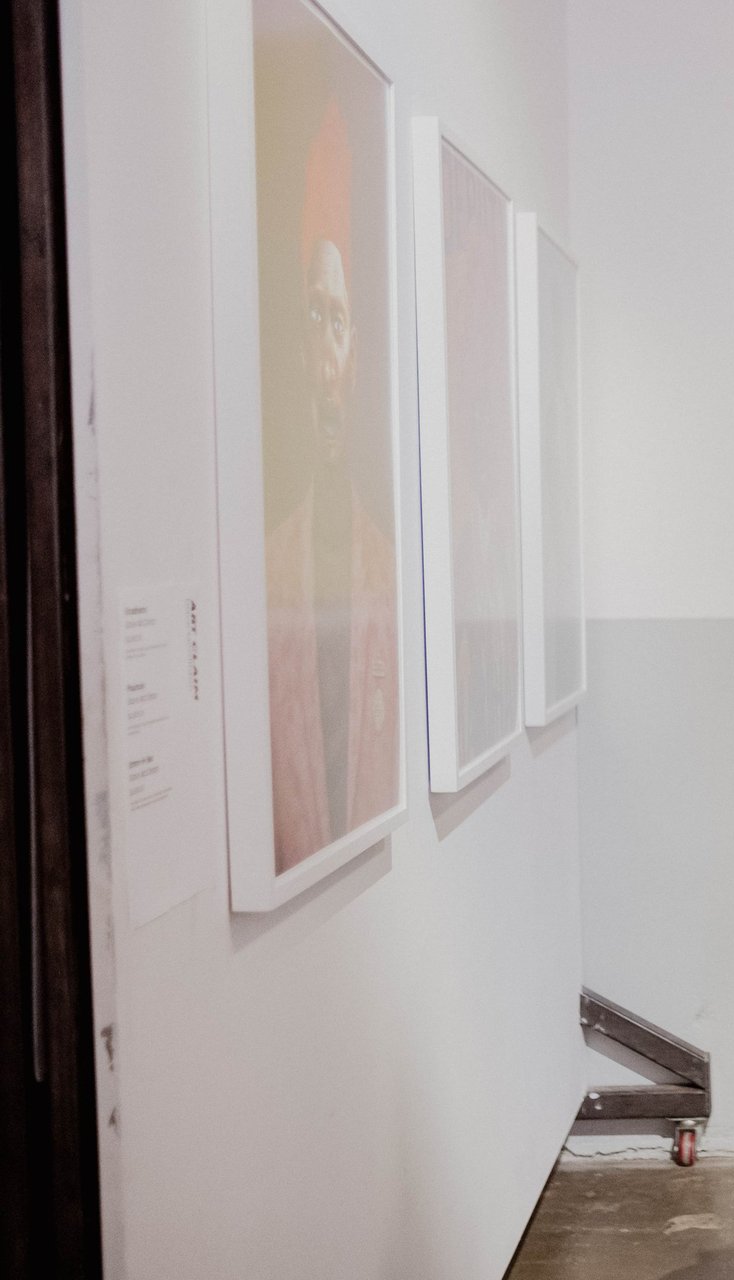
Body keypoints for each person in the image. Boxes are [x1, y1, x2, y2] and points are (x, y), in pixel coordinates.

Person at [264, 98, 399, 872]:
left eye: (338, 321)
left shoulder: (386, 571)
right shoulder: (267, 569)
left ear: (355, 356)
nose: (324, 357)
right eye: (312, 318)